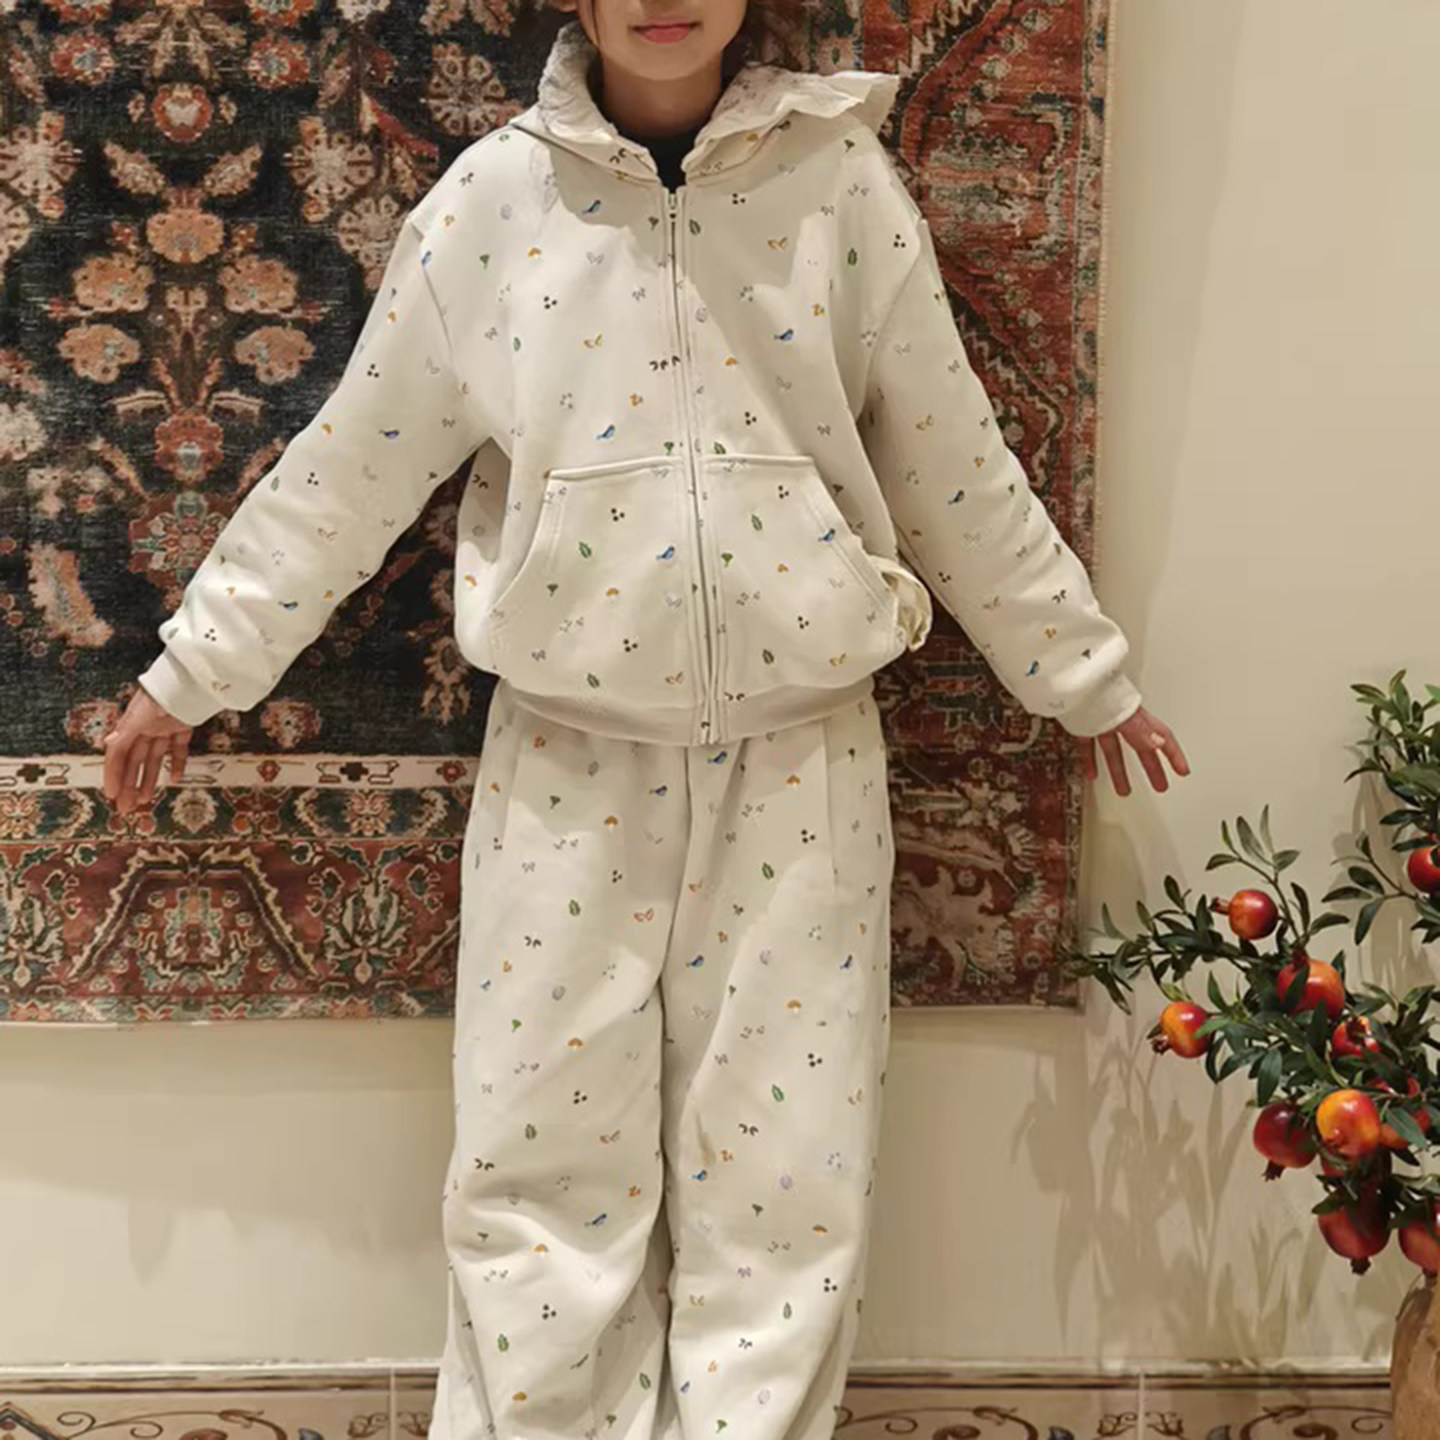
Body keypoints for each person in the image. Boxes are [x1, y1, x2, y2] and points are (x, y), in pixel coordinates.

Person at [102, 1, 1190, 1435]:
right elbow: (352, 468)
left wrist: (1079, 671)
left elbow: (953, 460)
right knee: (535, 1171)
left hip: (803, 765)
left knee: (787, 1188)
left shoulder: (839, 184)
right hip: (568, 765)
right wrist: (194, 668)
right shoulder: (493, 203)